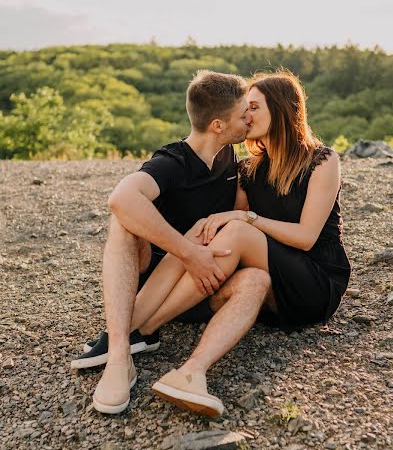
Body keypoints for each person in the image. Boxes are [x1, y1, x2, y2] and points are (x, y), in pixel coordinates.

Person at [126, 69, 351, 416]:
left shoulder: (322, 160)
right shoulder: (248, 169)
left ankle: (144, 326)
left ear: (282, 110)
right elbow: (226, 237)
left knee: (236, 229)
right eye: (245, 109)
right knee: (214, 238)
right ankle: (188, 372)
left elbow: (306, 238)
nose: (247, 115)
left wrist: (245, 219)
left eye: (255, 107)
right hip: (272, 279)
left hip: (314, 280)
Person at [71, 70, 271, 415]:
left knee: (256, 280)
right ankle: (120, 355)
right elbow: (120, 198)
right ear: (218, 126)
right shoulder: (173, 161)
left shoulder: (228, 160)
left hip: (200, 285)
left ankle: (170, 354)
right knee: (122, 221)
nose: (249, 118)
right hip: (154, 282)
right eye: (243, 114)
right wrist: (188, 251)